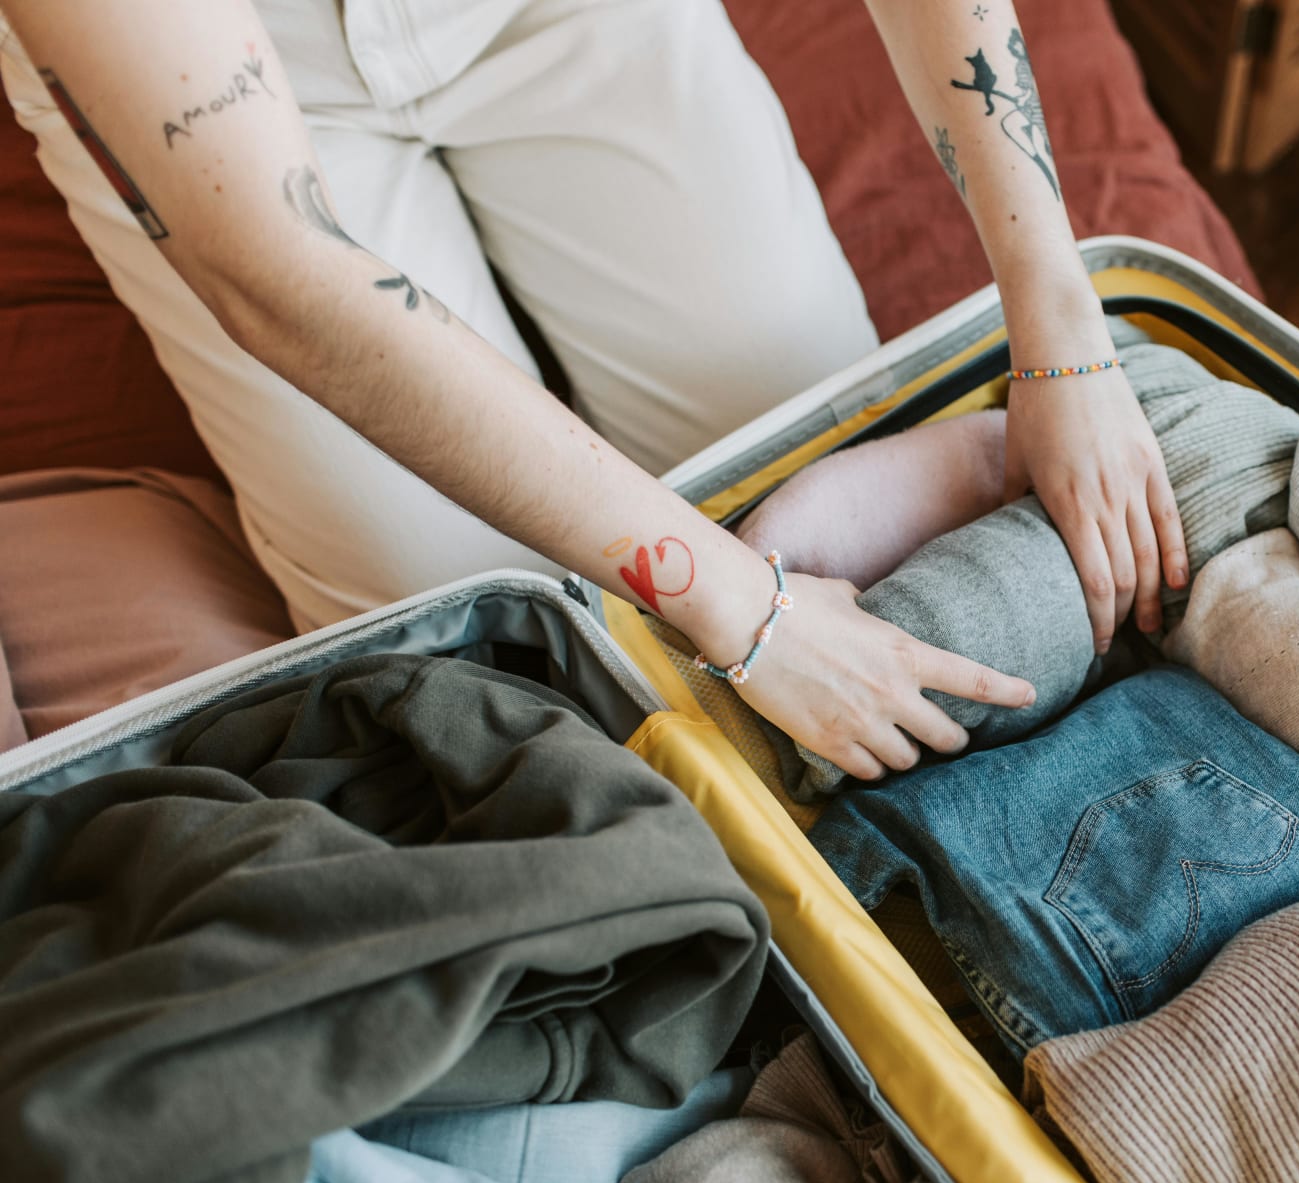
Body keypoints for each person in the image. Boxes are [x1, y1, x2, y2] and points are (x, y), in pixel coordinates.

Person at [0, 0, 1189, 783]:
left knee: (820, 457)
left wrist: (1059, 322)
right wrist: (743, 611)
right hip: (223, 88)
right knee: (465, 648)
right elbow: (279, 270)